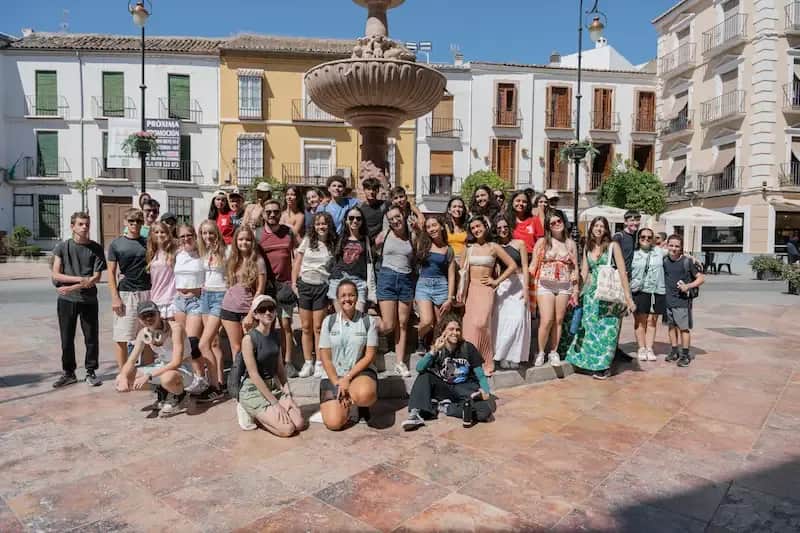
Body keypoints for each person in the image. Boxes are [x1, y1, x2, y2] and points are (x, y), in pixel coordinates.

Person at [565, 217, 635, 380]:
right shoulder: (587, 247)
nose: (598, 229)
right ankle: (590, 363)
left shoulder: (613, 246)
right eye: (596, 226)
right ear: (591, 228)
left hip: (609, 295)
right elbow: (584, 272)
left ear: (606, 230)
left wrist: (628, 297)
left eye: (602, 226)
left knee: (608, 331)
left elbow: (622, 272)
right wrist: (576, 289)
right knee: (592, 330)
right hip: (592, 295)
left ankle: (604, 367)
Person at [402, 315, 494, 430]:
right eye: (451, 329)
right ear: (443, 331)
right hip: (444, 388)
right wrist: (433, 351)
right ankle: (415, 414)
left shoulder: (468, 348)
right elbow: (419, 368)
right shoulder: (438, 349)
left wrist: (485, 390)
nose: (455, 333)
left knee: (484, 412)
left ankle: (445, 407)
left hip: (464, 389)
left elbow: (480, 374)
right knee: (424, 375)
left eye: (458, 329)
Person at [236, 295, 306, 435]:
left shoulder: (275, 336)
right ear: (255, 314)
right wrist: (275, 404)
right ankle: (249, 410)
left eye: (271, 309)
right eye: (262, 310)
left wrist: (288, 395)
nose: (268, 313)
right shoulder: (249, 339)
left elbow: (280, 369)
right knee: (287, 429)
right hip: (253, 389)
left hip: (273, 386)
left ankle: (268, 414)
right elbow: (254, 375)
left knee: (299, 424)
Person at [51, 212, 107, 388]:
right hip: (66, 301)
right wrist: (80, 280)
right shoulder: (62, 247)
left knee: (91, 338)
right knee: (66, 338)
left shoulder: (96, 248)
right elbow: (55, 274)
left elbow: (95, 278)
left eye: (87, 224)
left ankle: (91, 371)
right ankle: (69, 373)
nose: (84, 227)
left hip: (88, 301)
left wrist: (70, 286)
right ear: (72, 226)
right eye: (81, 224)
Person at [458, 216, 517, 375]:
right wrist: (460, 294)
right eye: (473, 228)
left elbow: (512, 265)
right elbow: (462, 273)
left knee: (481, 324)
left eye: (478, 226)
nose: (476, 230)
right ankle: (470, 363)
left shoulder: (494, 247)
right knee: (469, 328)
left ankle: (485, 361)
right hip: (471, 290)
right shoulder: (468, 248)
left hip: (486, 290)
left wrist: (496, 281)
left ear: (485, 226)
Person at [317, 280, 379, 430]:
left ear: (357, 298)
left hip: (359, 373)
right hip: (334, 375)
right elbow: (325, 357)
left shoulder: (368, 321)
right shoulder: (328, 321)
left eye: (351, 295)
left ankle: (358, 402)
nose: (347, 299)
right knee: (334, 423)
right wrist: (338, 382)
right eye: (343, 295)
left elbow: (369, 356)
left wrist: (348, 378)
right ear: (337, 299)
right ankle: (344, 403)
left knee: (365, 394)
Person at [115, 301, 194, 417]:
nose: (148, 319)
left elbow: (176, 362)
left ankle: (180, 395)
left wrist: (149, 376)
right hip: (162, 366)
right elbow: (131, 361)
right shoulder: (143, 334)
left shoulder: (175, 328)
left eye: (151, 314)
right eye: (144, 316)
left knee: (167, 378)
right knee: (123, 377)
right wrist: (123, 377)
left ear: (159, 314)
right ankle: (163, 392)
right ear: (139, 319)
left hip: (182, 368)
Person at [173, 224, 220, 399]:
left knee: (193, 342)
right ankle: (193, 377)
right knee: (182, 342)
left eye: (189, 235)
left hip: (196, 301)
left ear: (195, 235)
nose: (186, 239)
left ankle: (205, 379)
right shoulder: (178, 254)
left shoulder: (202, 253)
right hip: (179, 301)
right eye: (182, 236)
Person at [530, 210, 578, 367]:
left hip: (564, 285)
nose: (557, 224)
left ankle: (553, 351)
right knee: (546, 319)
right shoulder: (542, 242)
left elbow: (575, 268)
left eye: (559, 221)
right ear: (548, 227)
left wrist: (575, 290)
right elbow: (533, 265)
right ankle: (541, 351)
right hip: (545, 284)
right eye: (552, 223)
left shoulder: (570, 243)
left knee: (558, 320)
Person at [291, 212, 336, 379]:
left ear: (329, 225)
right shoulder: (308, 240)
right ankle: (308, 362)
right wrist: (294, 283)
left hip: (321, 288)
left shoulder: (333, 244)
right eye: (318, 224)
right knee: (305, 326)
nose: (321, 227)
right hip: (305, 286)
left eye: (324, 223)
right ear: (314, 226)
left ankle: (319, 363)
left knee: (318, 327)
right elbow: (298, 261)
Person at [376, 206, 417, 378]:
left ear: (403, 216)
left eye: (397, 217)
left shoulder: (411, 235)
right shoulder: (384, 234)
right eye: (391, 218)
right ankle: (363, 328)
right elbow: (372, 251)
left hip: (406, 278)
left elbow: (417, 255)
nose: (395, 221)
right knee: (388, 324)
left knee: (402, 324)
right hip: (387, 277)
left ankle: (400, 363)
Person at [108, 208, 152, 369]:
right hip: (126, 293)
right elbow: (111, 273)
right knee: (122, 335)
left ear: (142, 223)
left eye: (138, 221)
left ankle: (147, 373)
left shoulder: (148, 242)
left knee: (147, 334)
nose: (135, 224)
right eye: (131, 221)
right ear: (126, 222)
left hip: (147, 292)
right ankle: (123, 373)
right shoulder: (116, 244)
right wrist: (115, 297)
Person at [259, 199, 298, 377]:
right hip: (266, 286)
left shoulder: (288, 232)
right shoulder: (258, 235)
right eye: (269, 212)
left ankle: (288, 361)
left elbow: (297, 254)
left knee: (286, 325)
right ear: (263, 214)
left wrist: (295, 281)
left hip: (285, 285)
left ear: (280, 212)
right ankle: (269, 362)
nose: (272, 215)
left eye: (275, 211)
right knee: (267, 325)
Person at [220, 227, 267, 358]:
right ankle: (237, 376)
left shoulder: (258, 261)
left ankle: (252, 376)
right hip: (229, 308)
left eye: (247, 239)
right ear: (236, 241)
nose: (244, 242)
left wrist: (251, 314)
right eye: (240, 239)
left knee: (251, 347)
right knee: (236, 347)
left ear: (252, 242)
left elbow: (260, 290)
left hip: (248, 309)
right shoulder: (232, 259)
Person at [492, 214, 531, 370]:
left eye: (505, 227)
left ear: (510, 228)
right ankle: (502, 355)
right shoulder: (495, 246)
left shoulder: (520, 243)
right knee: (502, 322)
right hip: (503, 285)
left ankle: (515, 356)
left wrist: (527, 288)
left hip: (519, 283)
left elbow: (526, 267)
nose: (503, 230)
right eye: (499, 228)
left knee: (519, 320)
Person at [414, 215, 456, 354]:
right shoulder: (423, 244)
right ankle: (420, 338)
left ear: (441, 226)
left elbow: (451, 275)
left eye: (434, 225)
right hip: (424, 285)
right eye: (428, 227)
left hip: (441, 286)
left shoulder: (448, 249)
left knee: (440, 323)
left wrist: (450, 298)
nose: (432, 229)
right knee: (427, 321)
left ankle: (434, 348)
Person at [663, 234, 705, 367]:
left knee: (683, 328)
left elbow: (701, 278)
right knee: (671, 326)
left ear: (681, 248)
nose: (674, 248)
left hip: (682, 301)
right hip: (668, 299)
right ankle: (674, 350)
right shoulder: (664, 260)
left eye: (677, 246)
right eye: (671, 245)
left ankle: (685, 354)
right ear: (667, 245)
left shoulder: (687, 262)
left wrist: (688, 286)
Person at [197, 220, 227, 391]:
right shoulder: (203, 251)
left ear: (217, 233)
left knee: (206, 342)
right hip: (205, 295)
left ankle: (216, 383)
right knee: (213, 343)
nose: (208, 236)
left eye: (211, 233)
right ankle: (218, 380)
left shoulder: (226, 251)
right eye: (204, 233)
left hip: (220, 296)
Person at [630, 228, 666, 362]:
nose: (646, 239)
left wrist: (691, 258)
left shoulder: (658, 251)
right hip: (639, 289)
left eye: (649, 237)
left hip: (656, 289)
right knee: (640, 320)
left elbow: (676, 253)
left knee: (652, 320)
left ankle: (649, 348)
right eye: (643, 237)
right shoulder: (633, 254)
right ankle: (641, 347)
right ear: (638, 239)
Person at [327, 206, 371, 312]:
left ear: (362, 221)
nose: (355, 221)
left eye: (358, 218)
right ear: (346, 220)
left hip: (358, 282)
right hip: (338, 279)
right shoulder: (338, 238)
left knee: (357, 319)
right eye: (351, 218)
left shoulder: (366, 240)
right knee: (341, 318)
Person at [612, 210, 642, 361]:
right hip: (618, 280)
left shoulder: (636, 237)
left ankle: (615, 347)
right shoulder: (619, 236)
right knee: (615, 315)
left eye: (637, 220)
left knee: (620, 316)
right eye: (631, 220)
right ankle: (612, 348)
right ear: (625, 222)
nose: (634, 223)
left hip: (628, 280)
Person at [145, 222, 177, 320]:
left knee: (171, 330)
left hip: (171, 298)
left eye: (162, 232)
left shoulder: (174, 251)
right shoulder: (151, 253)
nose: (159, 234)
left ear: (167, 234)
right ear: (152, 235)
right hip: (155, 297)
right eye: (156, 232)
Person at [359, 178, 386, 243]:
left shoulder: (384, 205)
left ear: (378, 191)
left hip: (380, 242)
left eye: (374, 189)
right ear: (364, 190)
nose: (371, 192)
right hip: (364, 241)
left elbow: (406, 204)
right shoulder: (359, 207)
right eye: (368, 189)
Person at [444, 197, 469, 265]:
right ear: (449, 210)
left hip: (464, 261)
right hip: (448, 260)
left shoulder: (468, 227)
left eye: (460, 207)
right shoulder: (444, 227)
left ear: (464, 210)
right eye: (454, 206)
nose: (457, 209)